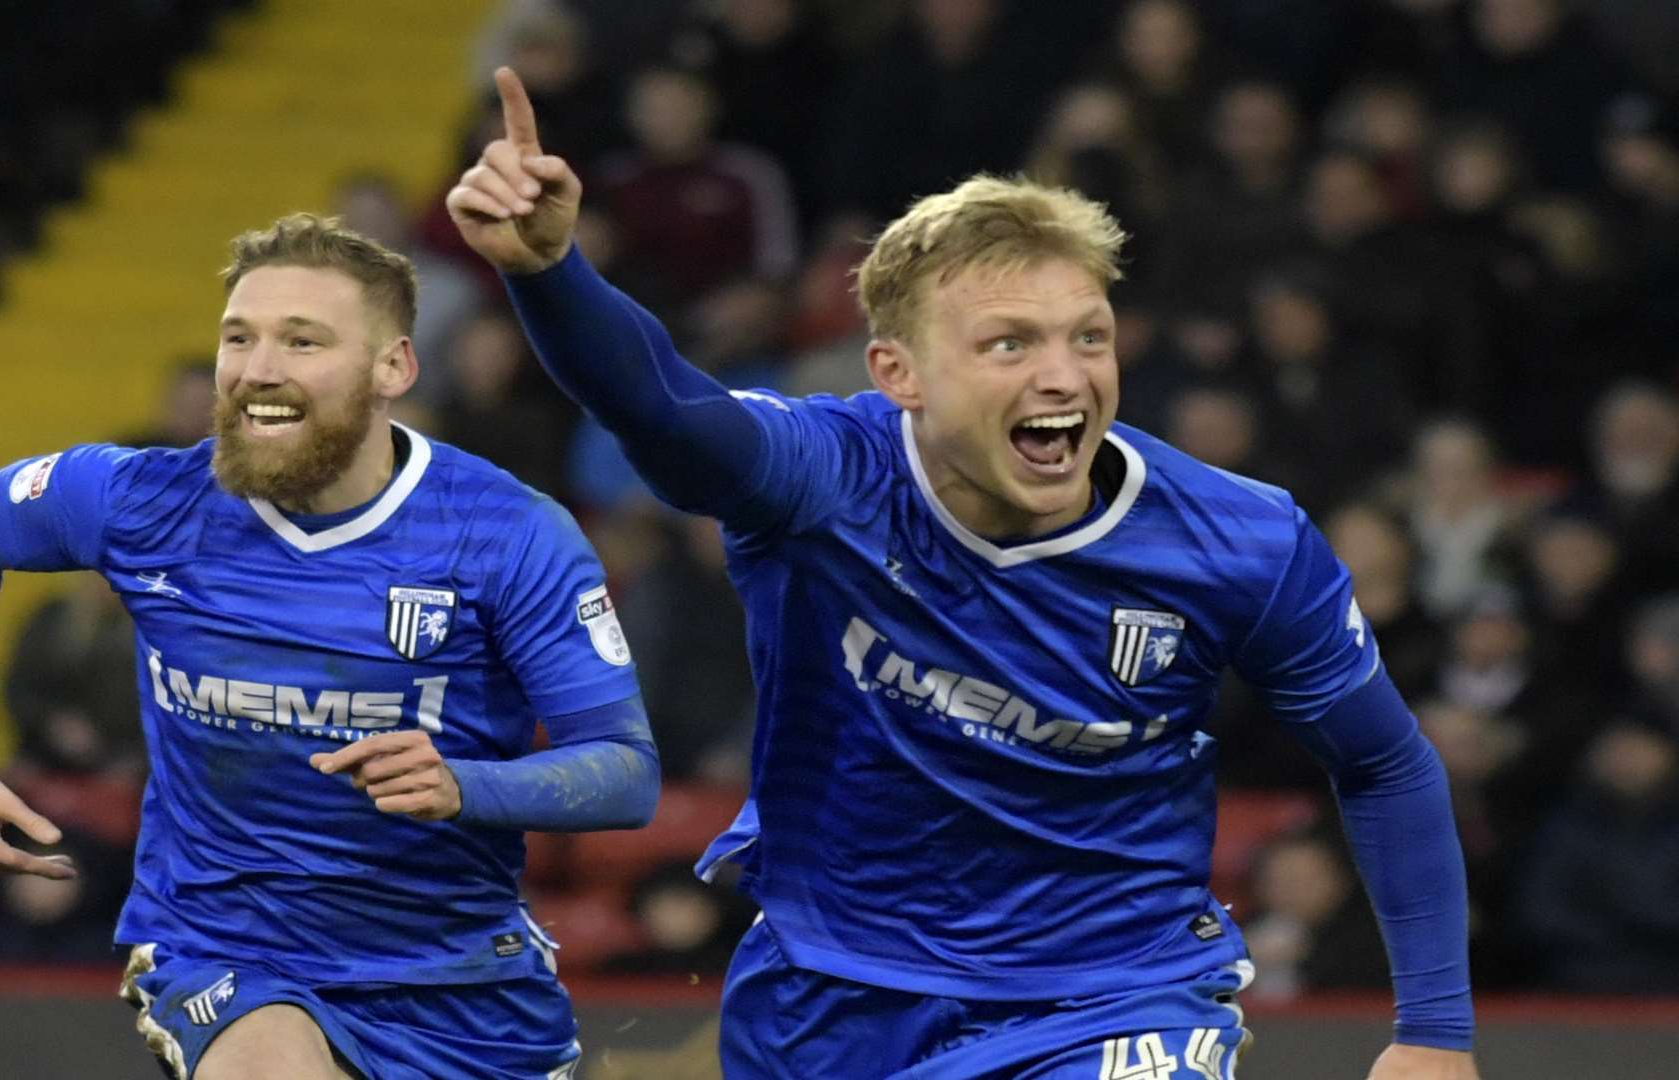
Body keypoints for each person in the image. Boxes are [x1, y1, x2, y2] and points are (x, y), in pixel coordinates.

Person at [450, 67, 1478, 1078]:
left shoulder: (1240, 540)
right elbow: (664, 409)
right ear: (898, 373)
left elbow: (1383, 761)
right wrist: (550, 273)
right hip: (827, 998)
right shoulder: (825, 476)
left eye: (1089, 337)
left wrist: (1434, 1028)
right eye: (1009, 344)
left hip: (1110, 998)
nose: (1065, 376)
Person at [0, 213, 660, 1080]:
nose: (258, 370)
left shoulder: (509, 535)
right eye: (239, 338)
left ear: (393, 368)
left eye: (303, 342)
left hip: (459, 983)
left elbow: (625, 773)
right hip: (227, 952)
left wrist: (463, 785)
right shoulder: (139, 501)